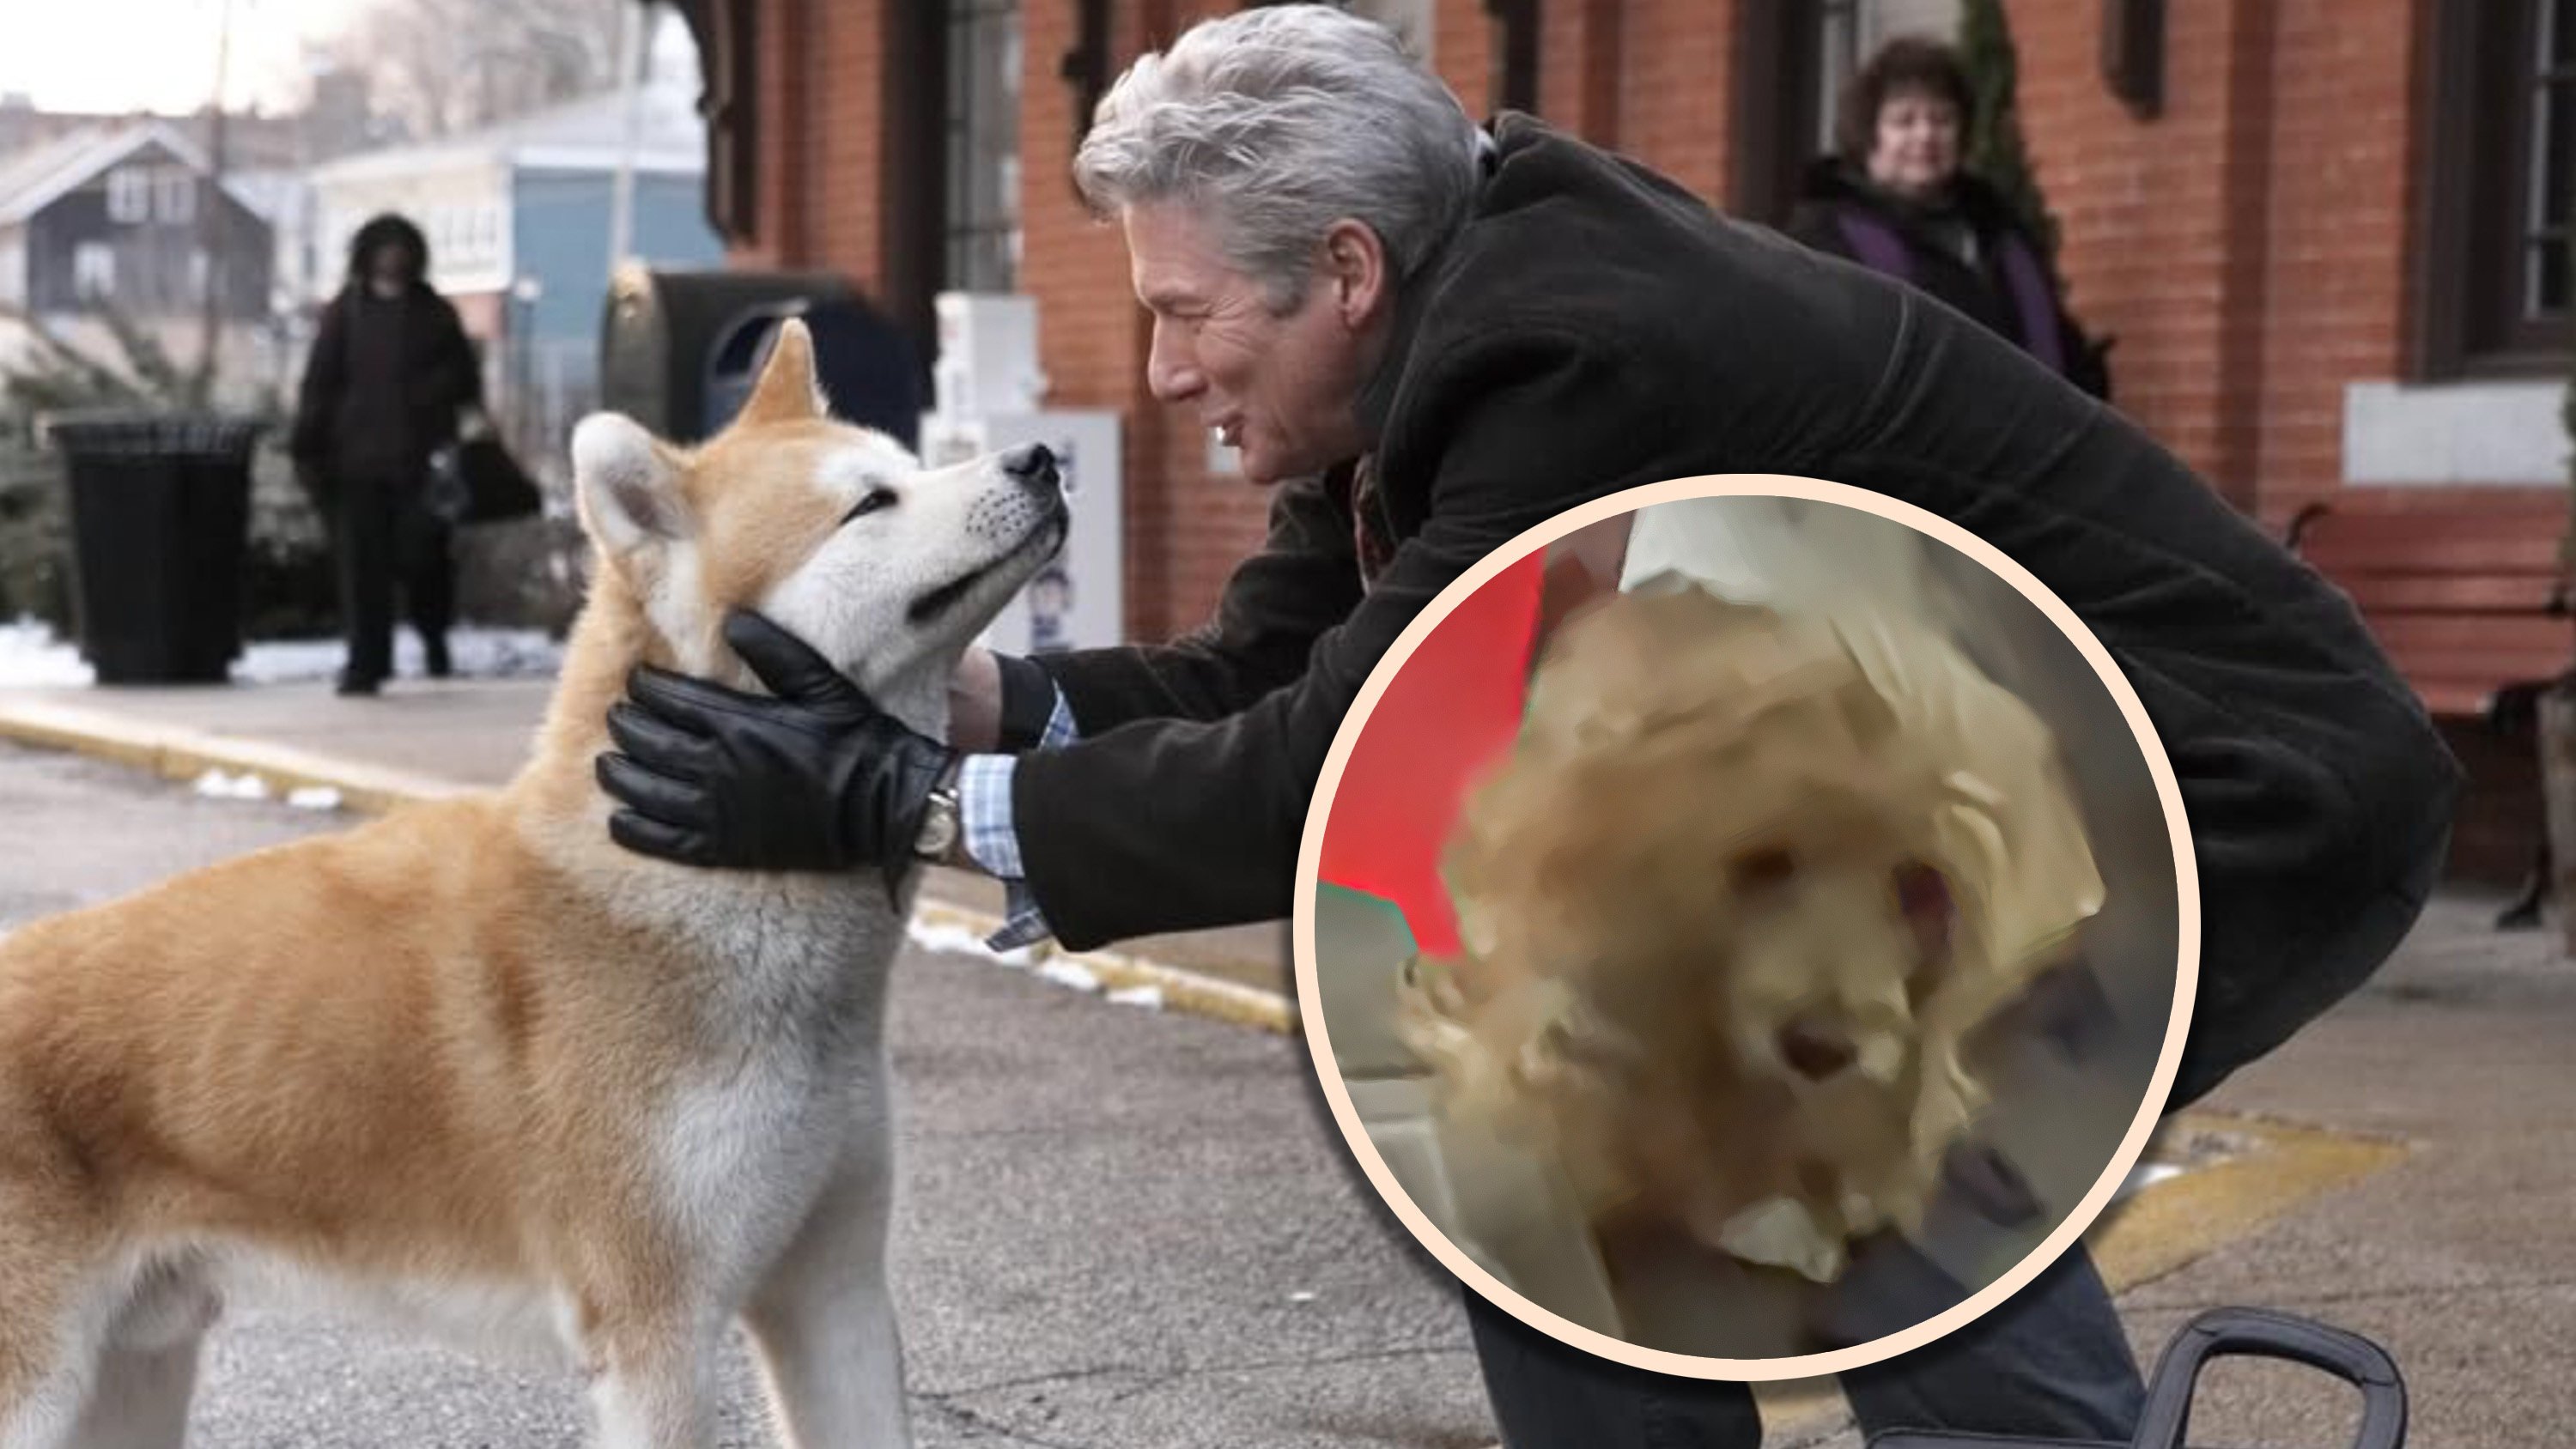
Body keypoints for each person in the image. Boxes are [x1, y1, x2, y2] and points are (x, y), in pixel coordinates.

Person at [592, 7, 2458, 1445]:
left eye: (1181, 316)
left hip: (2235, 782)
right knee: (1591, 1107)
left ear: (1341, 271)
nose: (1161, 377)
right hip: (1969, 762)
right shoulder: (1428, 334)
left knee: (1846, 1087)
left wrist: (896, 799)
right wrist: (949, 698)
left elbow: (1335, 770)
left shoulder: (1570, 353)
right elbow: (1274, 675)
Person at [1784, 36, 2113, 401]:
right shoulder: (1825, 239)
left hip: (2026, 446)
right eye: (1904, 121)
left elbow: (2060, 348)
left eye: (1941, 119)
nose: (1926, 135)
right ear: (1868, 137)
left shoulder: (2000, 233)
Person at [289, 213, 486, 696]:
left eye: (400, 248)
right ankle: (366, 663)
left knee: (425, 560)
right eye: (383, 248)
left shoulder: (435, 314)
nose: (392, 257)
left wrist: (434, 404)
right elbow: (320, 383)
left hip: (422, 465)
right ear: (366, 255)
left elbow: (467, 384)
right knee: (362, 571)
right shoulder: (345, 314)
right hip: (356, 464)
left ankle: (434, 636)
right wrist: (308, 444)